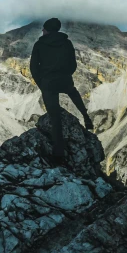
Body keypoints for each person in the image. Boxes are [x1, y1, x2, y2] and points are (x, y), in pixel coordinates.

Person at [29, 17, 93, 162]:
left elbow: (33, 67)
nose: (42, 30)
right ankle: (86, 116)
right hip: (64, 79)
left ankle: (58, 152)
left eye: (43, 28)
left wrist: (42, 83)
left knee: (55, 116)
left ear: (47, 30)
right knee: (73, 92)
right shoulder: (66, 42)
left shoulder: (39, 44)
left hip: (48, 83)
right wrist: (66, 74)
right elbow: (73, 64)